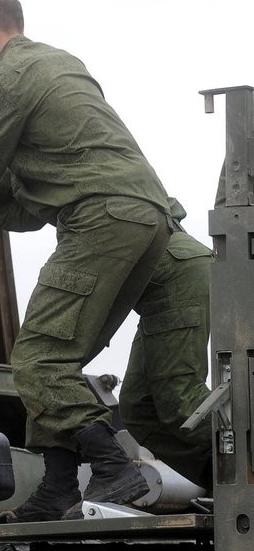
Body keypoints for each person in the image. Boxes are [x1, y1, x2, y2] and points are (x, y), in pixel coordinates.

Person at [0, 0, 178, 522]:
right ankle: (56, 487)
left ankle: (112, 467)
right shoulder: (59, 63)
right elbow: (24, 210)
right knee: (58, 361)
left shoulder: (8, 76)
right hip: (147, 219)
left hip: (100, 217)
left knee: (35, 357)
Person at [117, 201, 214, 491]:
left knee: (181, 402)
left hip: (175, 271)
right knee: (139, 407)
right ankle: (222, 478)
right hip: (154, 286)